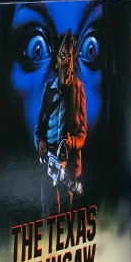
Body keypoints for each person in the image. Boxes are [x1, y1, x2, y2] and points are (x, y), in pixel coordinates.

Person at [36, 30, 87, 211]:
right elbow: (39, 127)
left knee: (67, 214)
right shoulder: (48, 88)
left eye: (70, 57)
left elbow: (82, 134)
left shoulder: (79, 89)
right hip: (48, 163)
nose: (67, 62)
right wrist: (40, 142)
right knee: (49, 212)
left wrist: (70, 142)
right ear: (57, 59)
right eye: (63, 56)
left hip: (69, 166)